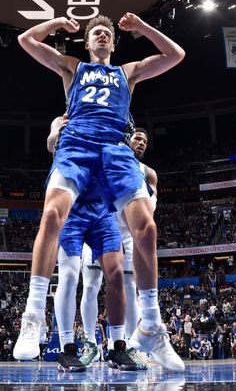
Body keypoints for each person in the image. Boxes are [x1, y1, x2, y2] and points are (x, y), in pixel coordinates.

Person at [13, 13, 185, 372]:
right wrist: (57, 22)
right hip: (77, 144)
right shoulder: (72, 69)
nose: (103, 36)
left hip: (113, 148)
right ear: (88, 43)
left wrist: (142, 29)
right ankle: (33, 316)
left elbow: (175, 55)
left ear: (113, 42)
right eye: (97, 34)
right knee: (51, 216)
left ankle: (150, 324)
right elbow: (27, 40)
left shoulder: (127, 72)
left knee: (147, 229)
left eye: (107, 33)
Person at [46, 115, 137, 372]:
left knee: (117, 275)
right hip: (72, 211)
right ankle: (67, 348)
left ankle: (118, 347)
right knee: (69, 275)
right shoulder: (65, 119)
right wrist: (57, 134)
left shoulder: (111, 120)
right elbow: (51, 143)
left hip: (101, 214)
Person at [81, 127, 159, 370]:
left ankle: (130, 347)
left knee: (129, 287)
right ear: (128, 140)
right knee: (92, 284)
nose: (142, 143)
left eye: (145, 140)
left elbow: (150, 207)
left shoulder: (149, 173)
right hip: (100, 227)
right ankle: (90, 343)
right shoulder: (107, 159)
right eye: (138, 138)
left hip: (127, 233)